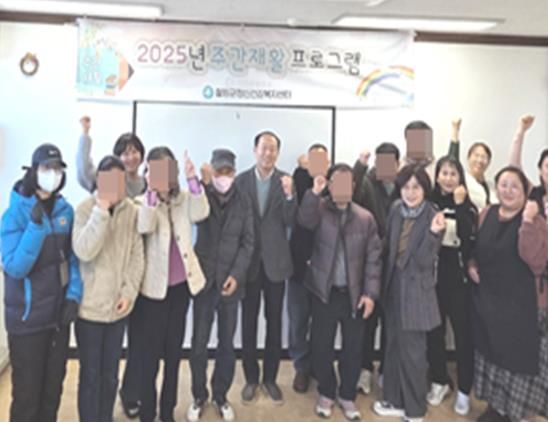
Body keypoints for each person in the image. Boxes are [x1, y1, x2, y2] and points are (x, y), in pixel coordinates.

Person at [1, 144, 82, 422]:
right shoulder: (14, 214)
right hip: (27, 322)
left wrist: (73, 295)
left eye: (57, 168)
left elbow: (72, 260)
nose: (53, 174)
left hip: (57, 319)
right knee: (27, 396)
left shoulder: (66, 211)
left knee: (51, 393)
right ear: (34, 171)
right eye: (47, 168)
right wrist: (35, 227)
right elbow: (15, 267)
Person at [298, 163, 382, 420]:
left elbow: (374, 259)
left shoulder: (365, 218)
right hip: (324, 291)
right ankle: (326, 391)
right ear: (330, 185)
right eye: (337, 182)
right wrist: (314, 193)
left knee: (353, 348)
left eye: (347, 183)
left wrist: (370, 294)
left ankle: (347, 395)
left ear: (353, 187)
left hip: (354, 295)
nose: (342, 188)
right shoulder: (319, 209)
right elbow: (304, 220)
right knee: (321, 346)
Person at [77, 116, 147, 417]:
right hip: (90, 310)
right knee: (90, 376)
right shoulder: (85, 209)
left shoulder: (132, 210)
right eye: (108, 181)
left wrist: (129, 294)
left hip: (118, 309)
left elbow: (137, 256)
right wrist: (101, 212)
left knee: (110, 375)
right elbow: (84, 250)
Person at [134, 147, 209, 422]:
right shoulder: (142, 201)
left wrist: (193, 179)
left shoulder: (184, 198)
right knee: (149, 358)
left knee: (174, 356)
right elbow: (144, 226)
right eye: (157, 170)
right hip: (153, 292)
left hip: (180, 289)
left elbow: (202, 212)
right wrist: (151, 194)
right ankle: (147, 413)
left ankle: (167, 412)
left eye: (168, 170)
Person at [469, 166, 548, 422]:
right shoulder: (486, 214)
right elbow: (475, 248)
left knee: (518, 363)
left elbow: (536, 260)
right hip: (490, 302)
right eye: (503, 185)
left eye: (515, 186)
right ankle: (497, 409)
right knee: (492, 357)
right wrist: (471, 265)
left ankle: (519, 415)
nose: (508, 190)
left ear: (525, 191)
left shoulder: (536, 221)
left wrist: (528, 221)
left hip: (523, 306)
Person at [373, 165, 445, 422]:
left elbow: (425, 261)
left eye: (416, 187)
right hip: (393, 286)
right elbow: (388, 245)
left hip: (416, 292)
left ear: (425, 189)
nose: (411, 193)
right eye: (406, 187)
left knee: (413, 353)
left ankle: (415, 410)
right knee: (392, 346)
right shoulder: (396, 210)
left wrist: (434, 234)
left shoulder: (433, 216)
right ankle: (394, 400)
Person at [187, 149, 254, 422]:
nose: (223, 177)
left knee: (226, 344)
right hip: (204, 282)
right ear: (212, 172)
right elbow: (195, 215)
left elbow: (248, 242)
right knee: (198, 345)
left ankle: (220, 395)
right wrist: (198, 183)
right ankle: (198, 396)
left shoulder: (244, 200)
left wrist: (236, 275)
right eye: (219, 172)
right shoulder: (201, 195)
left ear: (234, 173)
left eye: (228, 172)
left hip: (230, 285)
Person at [235, 130, 297, 404]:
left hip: (276, 264)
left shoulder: (286, 181)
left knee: (275, 322)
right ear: (255, 150)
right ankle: (251, 378)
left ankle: (270, 378)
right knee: (248, 322)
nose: (268, 153)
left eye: (273, 149)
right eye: (264, 148)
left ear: (278, 153)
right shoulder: (240, 181)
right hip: (248, 264)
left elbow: (291, 220)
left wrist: (289, 196)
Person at [426, 156, 477, 416]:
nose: (448, 178)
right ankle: (439, 380)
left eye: (453, 173)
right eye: (444, 173)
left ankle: (465, 390)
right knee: (434, 332)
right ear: (436, 176)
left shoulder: (468, 207)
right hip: (433, 277)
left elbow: (469, 239)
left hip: (459, 280)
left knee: (463, 335)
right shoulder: (429, 203)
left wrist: (459, 205)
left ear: (460, 178)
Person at [352, 143, 399, 394]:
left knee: (391, 322)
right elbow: (352, 192)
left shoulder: (405, 186)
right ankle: (365, 370)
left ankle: (387, 370)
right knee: (367, 322)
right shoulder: (368, 183)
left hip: (396, 266)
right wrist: (360, 166)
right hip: (369, 263)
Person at [288, 143, 329, 393]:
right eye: (314, 160)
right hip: (298, 266)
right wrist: (303, 169)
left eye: (323, 161)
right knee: (298, 320)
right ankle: (301, 367)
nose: (318, 165)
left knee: (321, 323)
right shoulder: (300, 181)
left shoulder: (334, 184)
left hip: (326, 268)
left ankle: (317, 365)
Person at [449, 118, 495, 210]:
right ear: (468, 158)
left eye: (484, 157)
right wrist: (455, 131)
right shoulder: (463, 179)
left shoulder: (492, 187)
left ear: (489, 162)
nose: (479, 160)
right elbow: (452, 163)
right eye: (476, 155)